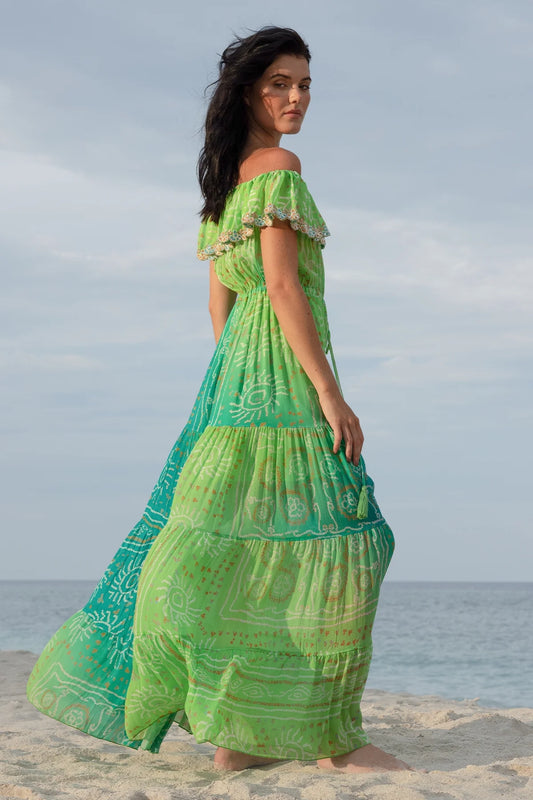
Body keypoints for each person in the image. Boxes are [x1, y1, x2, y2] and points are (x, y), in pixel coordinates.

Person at [26, 26, 410, 773]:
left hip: (234, 382)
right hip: (284, 380)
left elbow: (219, 308)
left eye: (305, 85)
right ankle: (329, 738)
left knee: (236, 540)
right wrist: (328, 393)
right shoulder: (279, 170)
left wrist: (232, 391)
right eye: (280, 84)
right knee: (347, 540)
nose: (296, 98)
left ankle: (239, 738)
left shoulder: (223, 192)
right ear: (248, 94)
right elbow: (281, 287)